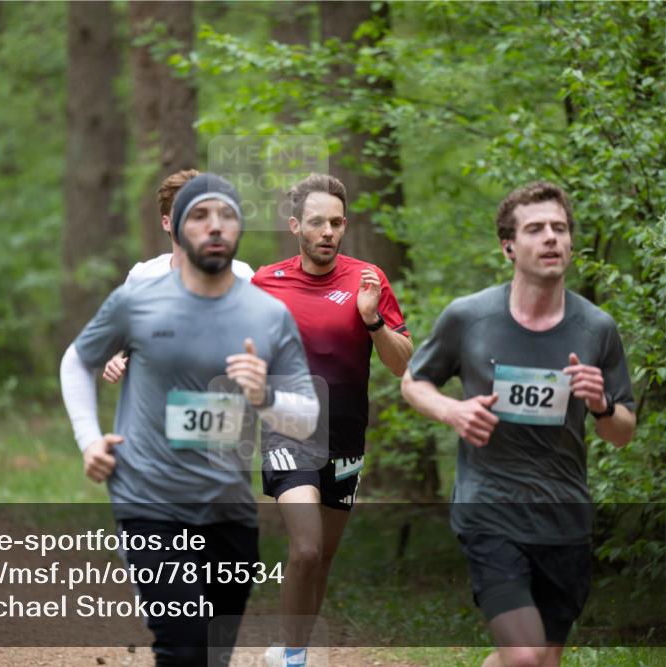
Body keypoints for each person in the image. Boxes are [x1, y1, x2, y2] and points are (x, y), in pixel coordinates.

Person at [60, 173, 319, 667]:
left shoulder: (267, 313)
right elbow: (78, 360)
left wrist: (264, 396)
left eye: (226, 214)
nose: (214, 225)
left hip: (229, 506)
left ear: (240, 227)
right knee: (181, 650)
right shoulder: (138, 298)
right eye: (199, 215)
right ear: (177, 227)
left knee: (211, 656)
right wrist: (89, 439)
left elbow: (306, 417)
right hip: (149, 499)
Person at [400, 181, 636, 667]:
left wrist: (601, 406)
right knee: (526, 655)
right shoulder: (469, 317)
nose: (552, 237)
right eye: (536, 229)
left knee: (539, 661)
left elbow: (623, 432)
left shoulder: (597, 328)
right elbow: (413, 382)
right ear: (509, 246)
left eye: (560, 228)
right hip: (489, 509)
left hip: (564, 516)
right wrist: (453, 411)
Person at [252, 174, 413, 667]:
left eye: (336, 222)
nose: (328, 231)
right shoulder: (265, 282)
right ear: (296, 225)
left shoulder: (369, 279)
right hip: (287, 430)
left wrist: (372, 320)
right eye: (317, 222)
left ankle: (292, 648)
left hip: (345, 435)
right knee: (305, 548)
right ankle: (294, 658)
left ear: (345, 227)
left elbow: (403, 361)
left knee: (321, 558)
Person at [103, 168, 254, 383]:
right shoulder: (142, 276)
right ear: (166, 222)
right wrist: (117, 359)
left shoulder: (242, 275)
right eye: (183, 211)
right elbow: (121, 338)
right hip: (157, 404)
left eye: (199, 213)